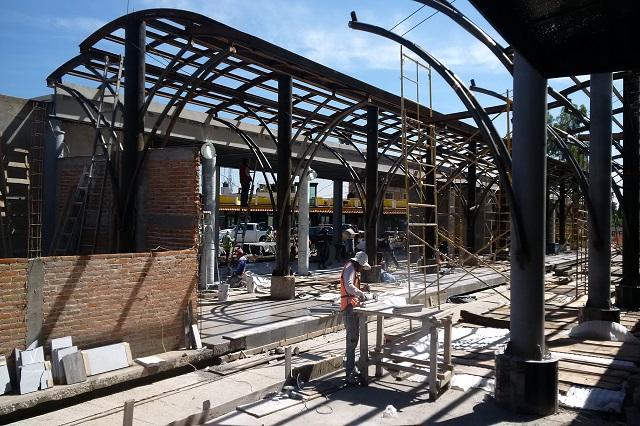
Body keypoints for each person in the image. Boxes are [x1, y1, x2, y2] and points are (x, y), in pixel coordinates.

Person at [340, 251, 373, 385]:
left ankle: (351, 369)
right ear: (358, 263)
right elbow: (348, 286)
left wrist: (361, 290)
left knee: (354, 340)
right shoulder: (350, 267)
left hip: (352, 307)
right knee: (352, 340)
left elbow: (351, 286)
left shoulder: (353, 269)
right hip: (349, 308)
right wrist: (361, 293)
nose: (362, 269)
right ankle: (349, 374)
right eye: (362, 266)